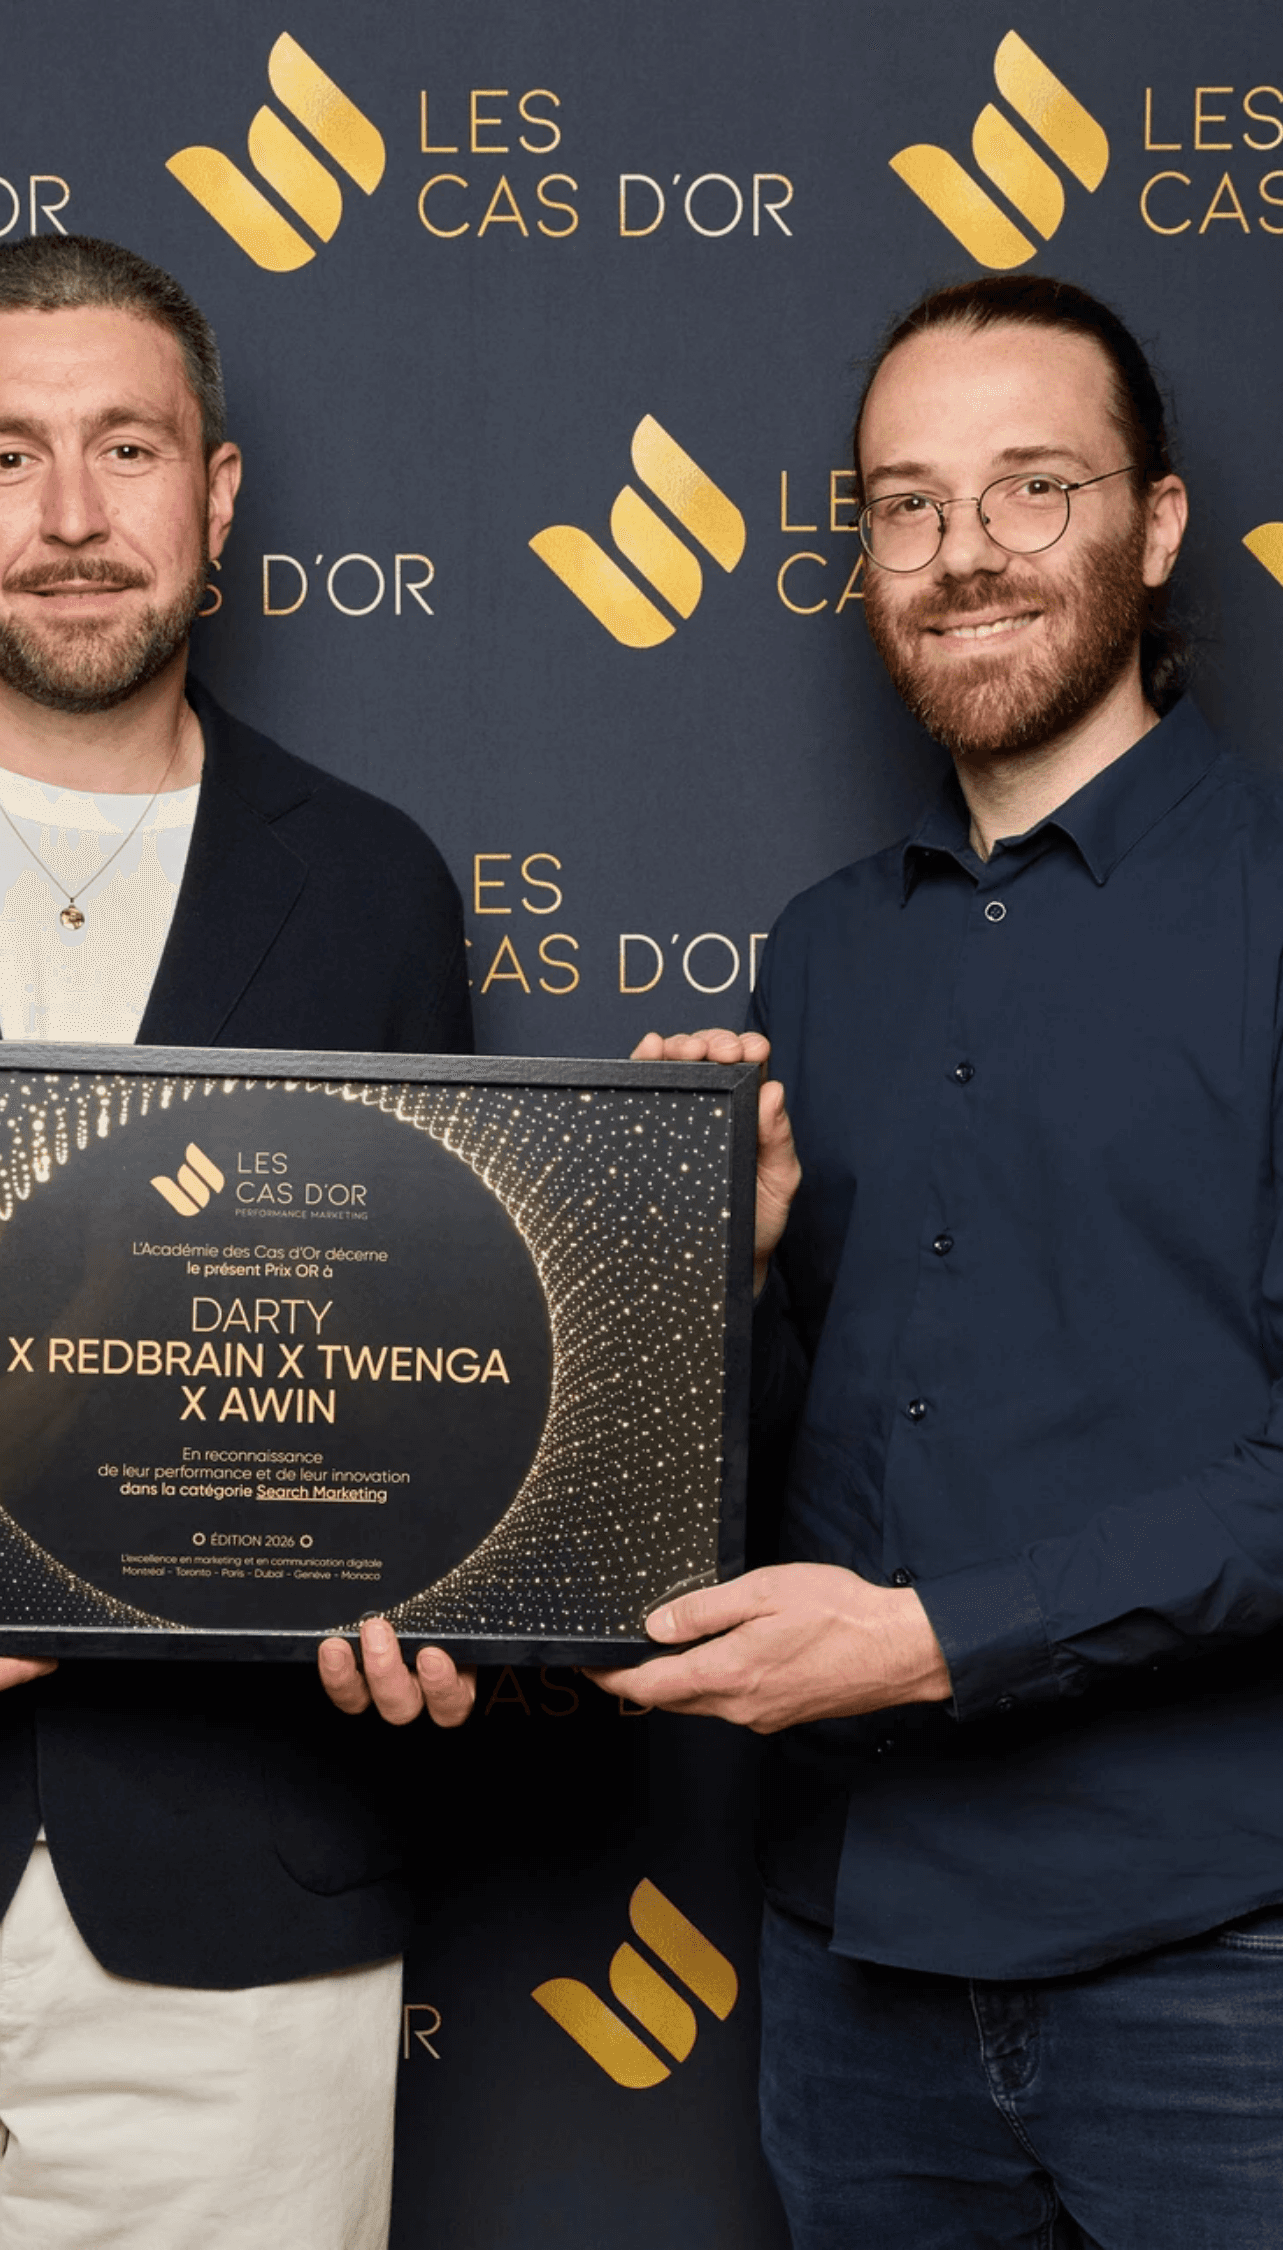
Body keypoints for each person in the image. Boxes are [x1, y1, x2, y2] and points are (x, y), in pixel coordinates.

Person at [0, 233, 475, 2250]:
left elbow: (434, 1395)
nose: (75, 517)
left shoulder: (367, 883)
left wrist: (442, 1620)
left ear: (221, 493)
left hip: (244, 1919)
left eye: (127, 449)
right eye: (9, 456)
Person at [592, 275, 1283, 2245]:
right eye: (907, 504)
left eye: (1029, 489)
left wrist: (935, 1636)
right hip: (854, 1967)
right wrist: (709, 1289)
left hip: (1220, 1963)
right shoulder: (820, 953)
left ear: (1153, 529)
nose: (963, 552)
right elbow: (818, 1448)